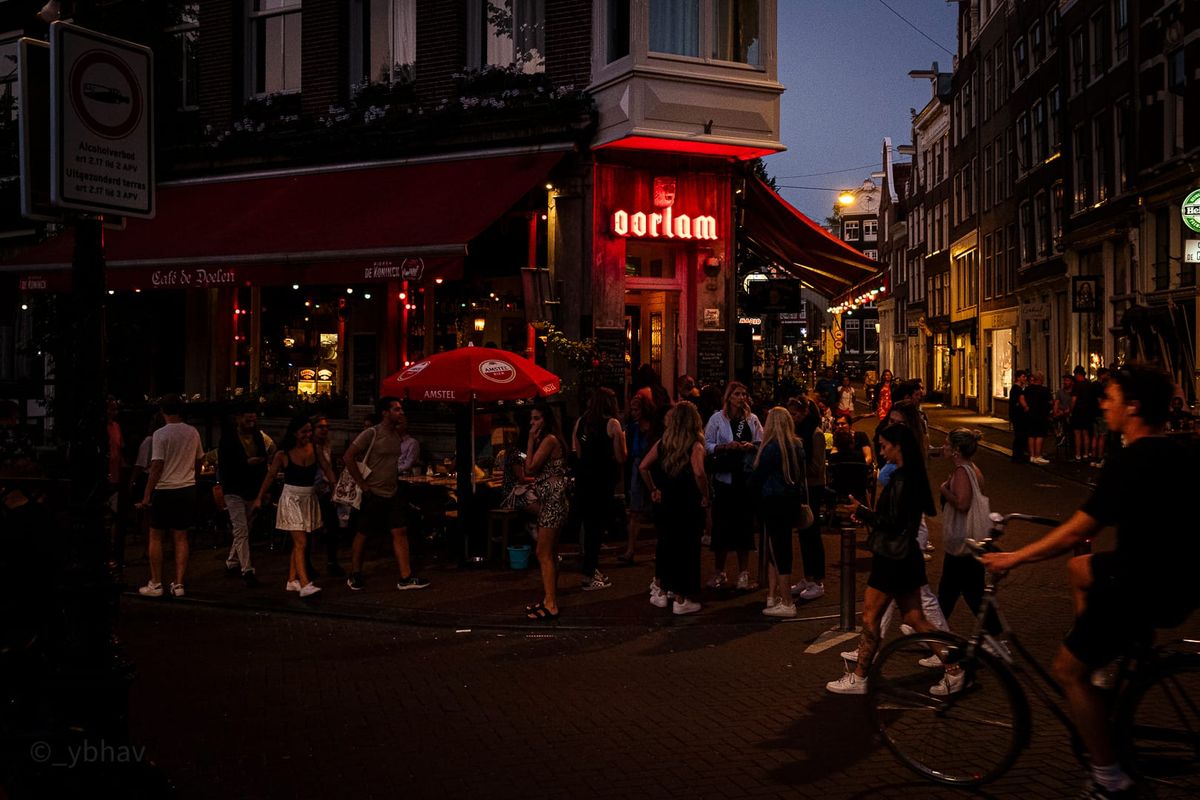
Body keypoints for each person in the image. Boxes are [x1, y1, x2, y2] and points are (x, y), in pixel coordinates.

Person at [982, 363, 1200, 799]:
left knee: (1066, 670)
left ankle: (1108, 779)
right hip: (1180, 579)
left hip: (1138, 584)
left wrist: (1015, 557)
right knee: (1081, 568)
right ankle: (1104, 664)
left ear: (1133, 407)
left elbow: (1078, 530)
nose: (1102, 404)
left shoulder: (1129, 460)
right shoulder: (1181, 452)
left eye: (1110, 397)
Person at [826, 423, 942, 695]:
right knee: (915, 618)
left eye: (883, 446)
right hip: (906, 556)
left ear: (897, 446)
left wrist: (864, 513)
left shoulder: (902, 480)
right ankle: (954, 667)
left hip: (892, 558)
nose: (881, 451)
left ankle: (859, 677)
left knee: (870, 615)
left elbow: (891, 522)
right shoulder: (913, 476)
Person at [343, 397, 429, 592]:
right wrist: (363, 484)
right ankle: (355, 573)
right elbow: (348, 456)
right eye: (397, 409)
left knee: (400, 530)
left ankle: (406, 577)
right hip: (373, 492)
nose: (401, 412)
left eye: (401, 409)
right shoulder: (372, 433)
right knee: (363, 533)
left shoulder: (397, 435)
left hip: (392, 491)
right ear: (385, 412)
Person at [640, 402, 709, 615]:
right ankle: (681, 598)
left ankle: (662, 591)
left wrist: (653, 488)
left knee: (667, 546)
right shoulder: (695, 445)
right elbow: (698, 472)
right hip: (688, 503)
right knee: (687, 549)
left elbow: (643, 466)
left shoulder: (663, 443)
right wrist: (706, 494)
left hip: (667, 501)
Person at [253, 415, 333, 597]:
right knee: (301, 542)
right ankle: (305, 584)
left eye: (309, 431)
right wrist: (259, 497)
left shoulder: (316, 449)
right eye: (304, 431)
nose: (308, 434)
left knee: (300, 541)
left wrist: (336, 486)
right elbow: (270, 476)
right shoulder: (283, 454)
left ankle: (291, 580)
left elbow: (327, 468)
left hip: (308, 497)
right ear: (294, 433)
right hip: (291, 498)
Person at [137, 395, 204, 598]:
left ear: (162, 412)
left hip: (165, 488)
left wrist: (147, 494)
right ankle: (179, 583)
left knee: (156, 535)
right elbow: (199, 459)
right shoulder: (192, 432)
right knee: (181, 536)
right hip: (186, 487)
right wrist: (194, 478)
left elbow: (157, 465)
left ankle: (156, 582)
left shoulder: (160, 434)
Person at [703, 381, 762, 590]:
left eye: (744, 394)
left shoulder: (751, 419)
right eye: (737, 394)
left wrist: (750, 446)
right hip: (725, 479)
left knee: (744, 528)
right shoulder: (717, 419)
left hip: (743, 479)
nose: (741, 398)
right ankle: (720, 571)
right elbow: (706, 444)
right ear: (729, 397)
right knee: (722, 527)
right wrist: (724, 446)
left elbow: (761, 443)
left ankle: (743, 573)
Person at [751, 407, 806, 618]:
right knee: (778, 548)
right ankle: (774, 596)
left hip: (773, 502)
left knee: (779, 550)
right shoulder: (797, 446)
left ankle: (787, 601)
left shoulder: (771, 449)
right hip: (790, 502)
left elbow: (758, 478)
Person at [572, 387, 627, 591]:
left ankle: (590, 569)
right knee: (597, 528)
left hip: (584, 480)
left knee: (588, 526)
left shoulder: (580, 423)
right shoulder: (612, 424)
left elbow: (577, 452)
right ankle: (589, 573)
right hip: (603, 481)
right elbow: (621, 457)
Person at [935, 429, 990, 621]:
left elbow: (963, 503)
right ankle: (935, 631)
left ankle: (934, 633)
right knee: (954, 590)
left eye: (947, 444)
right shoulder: (973, 469)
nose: (943, 447)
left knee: (965, 591)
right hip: (969, 541)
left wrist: (944, 489)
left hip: (962, 541)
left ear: (956, 449)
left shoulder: (962, 472)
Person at [217, 407, 274, 586]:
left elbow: (265, 459)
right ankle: (247, 569)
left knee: (245, 528)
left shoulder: (258, 436)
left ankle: (232, 561)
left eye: (253, 419)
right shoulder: (228, 438)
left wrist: (262, 491)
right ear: (239, 418)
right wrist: (245, 463)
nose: (252, 422)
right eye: (248, 419)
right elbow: (225, 464)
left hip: (251, 488)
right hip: (233, 489)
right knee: (241, 528)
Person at [524, 402, 569, 621]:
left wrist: (531, 440)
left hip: (552, 501)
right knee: (549, 553)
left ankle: (551, 603)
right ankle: (549, 599)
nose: (532, 424)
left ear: (546, 420)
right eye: (531, 419)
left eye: (537, 419)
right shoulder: (552, 440)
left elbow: (529, 468)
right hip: (553, 500)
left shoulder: (550, 440)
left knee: (543, 553)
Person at [788, 396, 826, 601]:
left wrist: (795, 468)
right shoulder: (799, 433)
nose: (792, 418)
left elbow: (816, 466)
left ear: (805, 413)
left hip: (813, 488)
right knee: (804, 534)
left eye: (795, 414)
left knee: (812, 534)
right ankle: (808, 576)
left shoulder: (815, 435)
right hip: (802, 487)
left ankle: (817, 580)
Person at [618, 394, 657, 564]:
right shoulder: (633, 428)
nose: (634, 412)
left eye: (636, 409)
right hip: (637, 466)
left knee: (657, 511)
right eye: (632, 409)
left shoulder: (654, 428)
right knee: (635, 511)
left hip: (653, 466)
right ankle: (630, 549)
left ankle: (658, 549)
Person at [310, 415, 341, 576]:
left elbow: (329, 467)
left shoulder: (326, 445)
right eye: (320, 427)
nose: (324, 430)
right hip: (312, 490)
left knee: (332, 526)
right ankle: (307, 565)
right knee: (311, 528)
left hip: (325, 489)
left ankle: (332, 561)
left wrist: (334, 485)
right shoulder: (310, 447)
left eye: (326, 427)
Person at [1023, 372, 1052, 464]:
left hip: (1030, 414)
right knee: (1039, 435)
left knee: (1031, 435)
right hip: (1041, 415)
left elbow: (1023, 399)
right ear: (1040, 379)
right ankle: (1037, 455)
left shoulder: (1027, 389)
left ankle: (1032, 455)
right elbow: (1050, 402)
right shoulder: (1045, 390)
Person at [1070, 366, 1096, 462]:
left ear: (1077, 374)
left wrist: (1070, 410)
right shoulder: (1089, 384)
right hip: (1087, 411)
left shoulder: (1077, 385)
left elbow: (1073, 400)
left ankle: (1078, 454)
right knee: (1086, 433)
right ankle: (1086, 453)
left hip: (1078, 411)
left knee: (1077, 434)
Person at [1009, 370, 1029, 463]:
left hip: (1015, 415)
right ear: (1018, 378)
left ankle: (1017, 455)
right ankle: (1018, 456)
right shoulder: (1018, 389)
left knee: (1018, 435)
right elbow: (1021, 399)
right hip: (1019, 415)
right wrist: (1026, 407)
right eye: (1023, 377)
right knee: (1020, 435)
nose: (1025, 378)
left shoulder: (1014, 388)